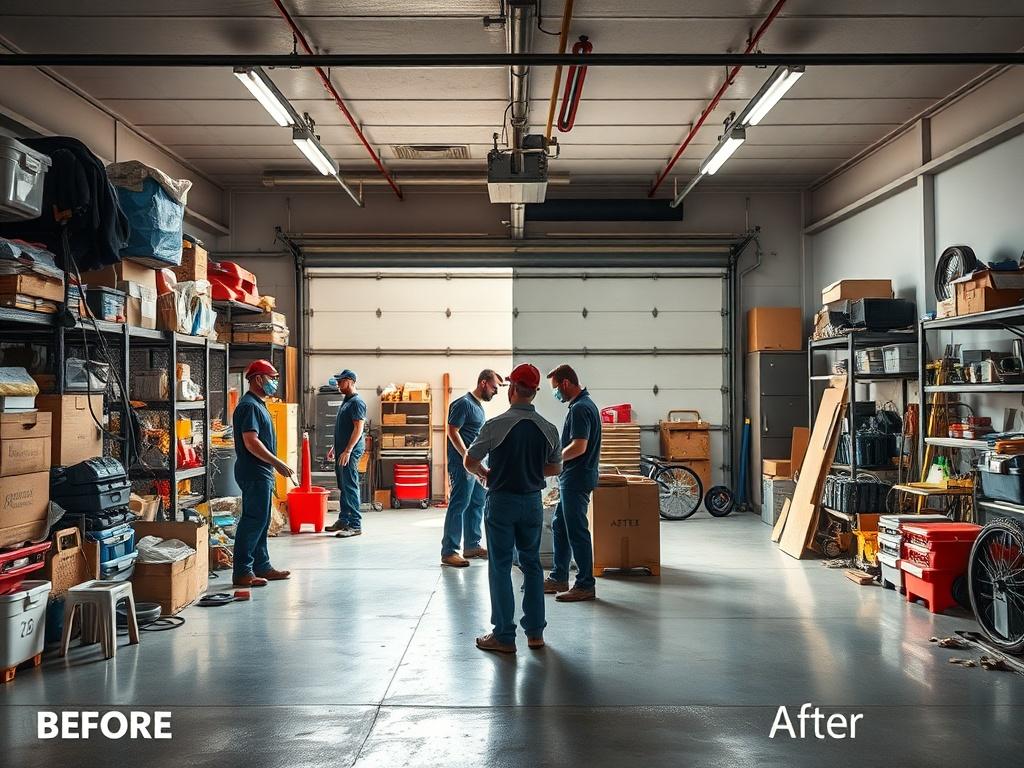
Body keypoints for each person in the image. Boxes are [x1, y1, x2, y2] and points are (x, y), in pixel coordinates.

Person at [464, 364, 562, 653]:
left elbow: (470, 460)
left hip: (502, 501)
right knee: (531, 565)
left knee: (501, 567)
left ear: (513, 389)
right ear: (534, 392)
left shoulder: (495, 425)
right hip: (532, 502)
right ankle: (535, 634)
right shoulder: (548, 428)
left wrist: (485, 474)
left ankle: (504, 636)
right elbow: (556, 466)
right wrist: (529, 471)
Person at [232, 359, 295, 588]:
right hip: (254, 471)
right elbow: (251, 442)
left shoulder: (259, 404)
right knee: (252, 521)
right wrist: (278, 462)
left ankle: (262, 565)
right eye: (272, 378)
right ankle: (242, 571)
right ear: (258, 379)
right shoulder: (249, 406)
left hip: (261, 472)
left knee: (261, 520)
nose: (275, 383)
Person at [544, 363, 601, 602]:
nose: (556, 393)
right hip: (573, 477)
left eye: (556, 388)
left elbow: (579, 446)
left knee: (576, 530)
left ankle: (585, 584)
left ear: (565, 383)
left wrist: (553, 459)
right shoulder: (583, 405)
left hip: (576, 478)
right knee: (560, 525)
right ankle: (559, 576)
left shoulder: (580, 409)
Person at [441, 369, 504, 568]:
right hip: (462, 465)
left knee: (477, 502)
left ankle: (472, 545)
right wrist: (466, 455)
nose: (495, 392)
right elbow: (452, 431)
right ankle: (449, 551)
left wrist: (479, 464)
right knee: (459, 504)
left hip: (475, 464)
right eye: (494, 387)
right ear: (484, 383)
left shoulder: (478, 407)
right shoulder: (463, 404)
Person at [326, 369, 367, 537]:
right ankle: (344, 520)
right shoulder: (347, 401)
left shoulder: (357, 402)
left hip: (350, 452)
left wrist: (348, 450)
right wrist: (335, 448)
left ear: (350, 381)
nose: (338, 384)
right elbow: (343, 428)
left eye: (341, 381)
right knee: (343, 486)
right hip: (342, 450)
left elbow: (359, 428)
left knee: (350, 485)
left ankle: (355, 524)